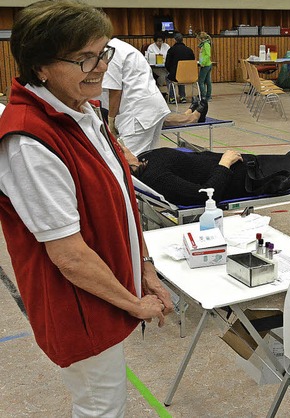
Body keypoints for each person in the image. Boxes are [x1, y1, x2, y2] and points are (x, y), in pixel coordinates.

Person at [0, 1, 173, 416]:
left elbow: (123, 201)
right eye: (84, 59)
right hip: (77, 302)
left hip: (105, 287)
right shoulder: (29, 142)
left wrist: (144, 267)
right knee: (100, 404)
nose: (100, 68)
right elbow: (69, 256)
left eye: (103, 53)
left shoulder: (83, 109)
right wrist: (133, 304)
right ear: (41, 66)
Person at [127, 130, 290, 205]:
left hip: (240, 165)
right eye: (121, 149)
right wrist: (224, 164)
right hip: (241, 180)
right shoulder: (156, 177)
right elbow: (202, 196)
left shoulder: (146, 157)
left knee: (287, 158)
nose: (124, 146)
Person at [103, 37, 208, 156]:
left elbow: (115, 91)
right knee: (146, 159)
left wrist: (111, 121)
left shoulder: (110, 52)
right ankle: (190, 116)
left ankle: (191, 117)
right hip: (149, 107)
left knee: (129, 163)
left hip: (138, 114)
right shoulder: (121, 47)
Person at [165, 32, 195, 104]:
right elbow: (192, 62)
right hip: (189, 75)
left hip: (176, 75)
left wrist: (170, 71)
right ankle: (182, 97)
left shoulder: (171, 50)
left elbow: (167, 64)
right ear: (182, 40)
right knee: (182, 75)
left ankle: (172, 97)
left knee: (168, 77)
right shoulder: (189, 50)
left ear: (174, 40)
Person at [197, 31, 213, 102]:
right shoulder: (205, 44)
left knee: (201, 81)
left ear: (202, 38)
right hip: (207, 64)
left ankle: (204, 96)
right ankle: (208, 96)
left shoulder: (206, 44)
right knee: (208, 81)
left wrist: (202, 62)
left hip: (205, 65)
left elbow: (208, 55)